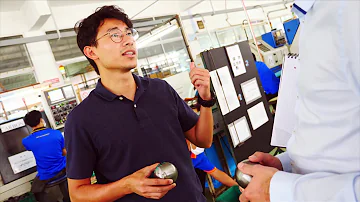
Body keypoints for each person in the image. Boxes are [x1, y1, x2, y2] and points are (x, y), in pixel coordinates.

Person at [65, 5, 214, 202]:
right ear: (92, 52)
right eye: (115, 35)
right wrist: (126, 185)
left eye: (128, 33)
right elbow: (77, 194)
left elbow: (203, 140)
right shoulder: (81, 119)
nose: (128, 40)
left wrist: (205, 98)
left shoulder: (161, 90)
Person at [237, 1, 360, 202]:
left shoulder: (349, 12)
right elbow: (335, 129)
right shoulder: (312, 17)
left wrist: (283, 191)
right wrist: (288, 164)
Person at [22, 110, 69, 202]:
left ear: (29, 125)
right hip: (64, 170)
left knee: (34, 189)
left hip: (46, 175)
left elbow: (33, 148)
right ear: (41, 120)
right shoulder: (56, 133)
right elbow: (64, 152)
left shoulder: (26, 141)